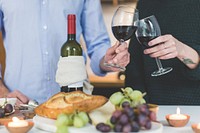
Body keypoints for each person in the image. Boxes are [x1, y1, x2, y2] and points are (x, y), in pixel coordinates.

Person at [0, 1, 130, 104]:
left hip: (74, 102)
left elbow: (98, 45)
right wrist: (2, 92)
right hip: (20, 105)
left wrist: (108, 60)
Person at [125, 0, 200, 105]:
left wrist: (182, 51)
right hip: (153, 110)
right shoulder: (145, 3)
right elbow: (134, 65)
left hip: (195, 112)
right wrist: (140, 106)